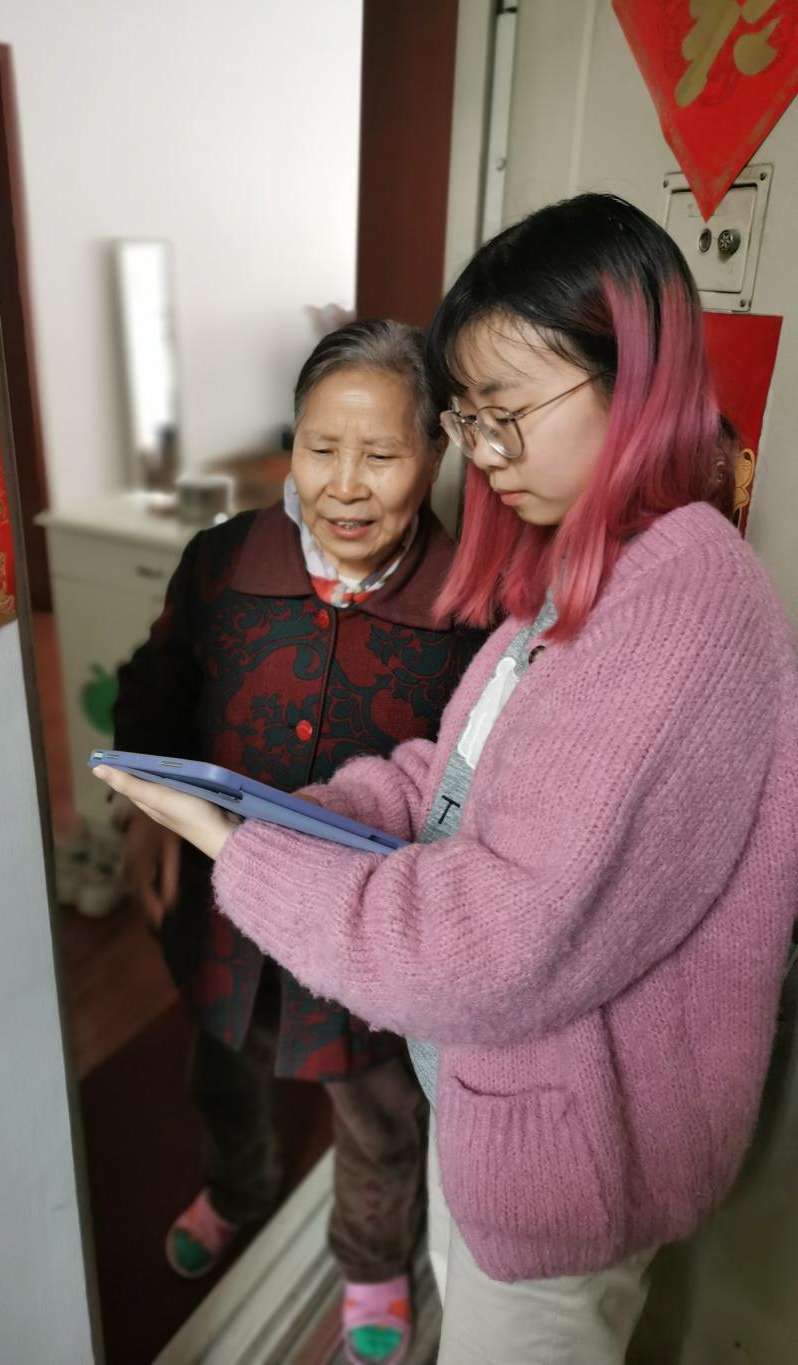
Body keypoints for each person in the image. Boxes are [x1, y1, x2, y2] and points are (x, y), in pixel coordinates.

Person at [95, 195, 798, 1365]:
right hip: (500, 1116)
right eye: (471, 418)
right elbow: (457, 771)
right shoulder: (596, 564)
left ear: (636, 381)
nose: (487, 454)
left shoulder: (680, 608)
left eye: (504, 414)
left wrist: (242, 847)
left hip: (566, 1165)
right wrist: (305, 812)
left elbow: (496, 940)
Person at [113, 319, 486, 1364]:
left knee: (376, 1113)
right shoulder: (223, 562)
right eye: (321, 449)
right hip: (224, 912)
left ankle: (371, 1261)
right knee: (222, 1067)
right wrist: (140, 817)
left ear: (437, 451)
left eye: (382, 454)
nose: (345, 486)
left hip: (367, 928)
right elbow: (155, 688)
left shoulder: (473, 604)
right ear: (293, 443)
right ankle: (237, 1187)